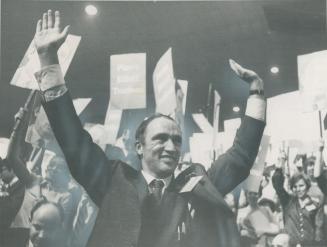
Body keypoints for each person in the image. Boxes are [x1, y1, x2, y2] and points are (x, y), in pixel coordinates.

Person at [34, 10, 266, 247]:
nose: (171, 147)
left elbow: (240, 156)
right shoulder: (113, 178)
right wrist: (48, 59)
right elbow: (71, 137)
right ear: (139, 147)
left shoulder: (197, 184)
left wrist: (257, 91)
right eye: (161, 138)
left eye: (177, 140)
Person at [272, 153, 324, 246]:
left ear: (307, 187)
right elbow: (277, 184)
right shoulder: (288, 201)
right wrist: (279, 168)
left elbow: (318, 228)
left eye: (301, 186)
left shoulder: (315, 203)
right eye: (295, 187)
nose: (298, 189)